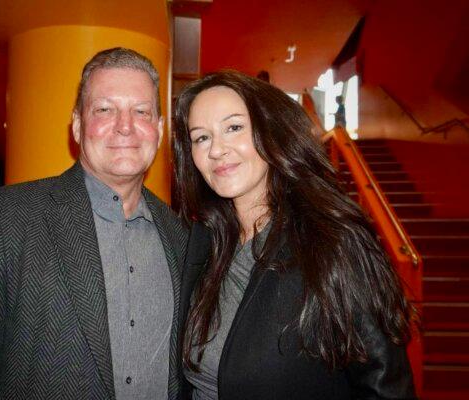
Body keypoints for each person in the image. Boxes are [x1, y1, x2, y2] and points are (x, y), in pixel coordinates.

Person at [0, 48, 188, 400]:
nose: (125, 125)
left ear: (158, 128)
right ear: (77, 125)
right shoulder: (2, 218)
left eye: (141, 111)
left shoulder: (181, 236)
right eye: (105, 109)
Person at [173, 71, 416, 399]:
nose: (217, 150)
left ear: (271, 131)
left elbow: (385, 386)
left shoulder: (331, 242)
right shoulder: (204, 243)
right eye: (201, 137)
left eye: (234, 127)